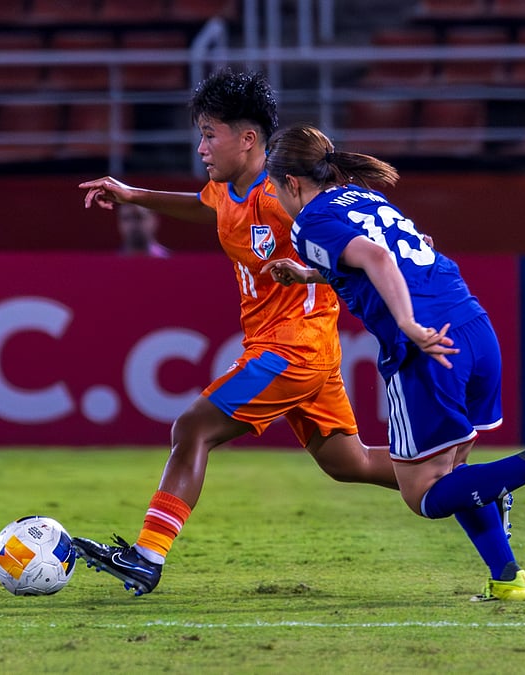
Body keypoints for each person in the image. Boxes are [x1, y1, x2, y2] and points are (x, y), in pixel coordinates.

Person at [70, 70, 399, 596]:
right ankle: (470, 487)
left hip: (293, 347)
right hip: (303, 350)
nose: (201, 146)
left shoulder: (285, 196)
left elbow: (354, 234)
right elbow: (204, 208)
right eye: (200, 133)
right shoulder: (227, 189)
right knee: (348, 462)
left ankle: (147, 557)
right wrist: (132, 195)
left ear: (248, 139)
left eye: (209, 133)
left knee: (192, 428)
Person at [261, 122, 525, 601]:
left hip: (426, 346)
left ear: (291, 182)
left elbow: (378, 260)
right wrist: (312, 274)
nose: (277, 197)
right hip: (473, 328)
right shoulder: (364, 198)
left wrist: (408, 324)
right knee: (455, 476)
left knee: (422, 493)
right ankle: (508, 578)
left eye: (275, 188)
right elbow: (418, 249)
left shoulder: (309, 220)